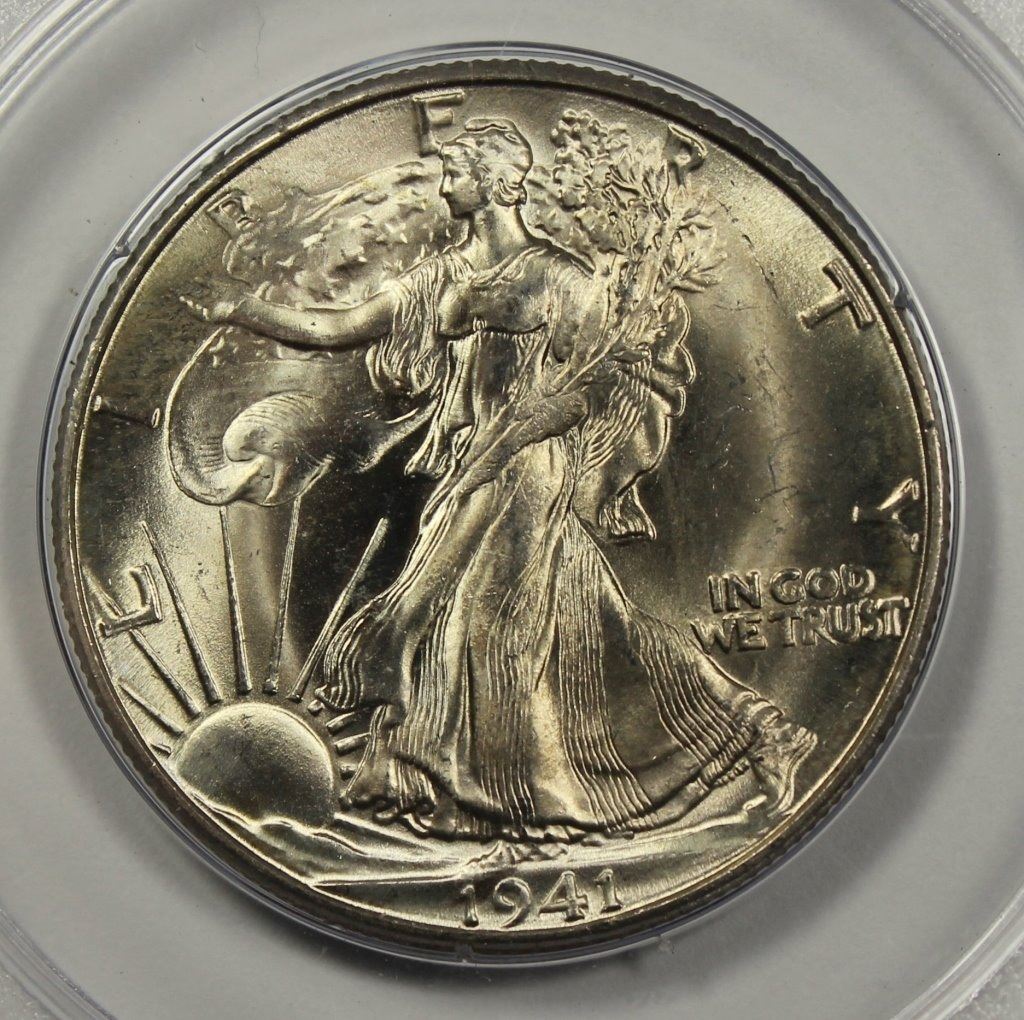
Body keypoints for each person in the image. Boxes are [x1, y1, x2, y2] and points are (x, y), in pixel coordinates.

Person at [183, 117, 816, 842]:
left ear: (495, 182)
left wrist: (514, 439)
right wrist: (243, 310)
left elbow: (588, 387)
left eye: (457, 171)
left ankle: (521, 795)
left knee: (482, 626)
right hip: (476, 464)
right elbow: (340, 327)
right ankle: (733, 737)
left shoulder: (561, 276)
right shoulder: (442, 276)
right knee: (576, 621)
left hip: (530, 468)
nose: (446, 184)